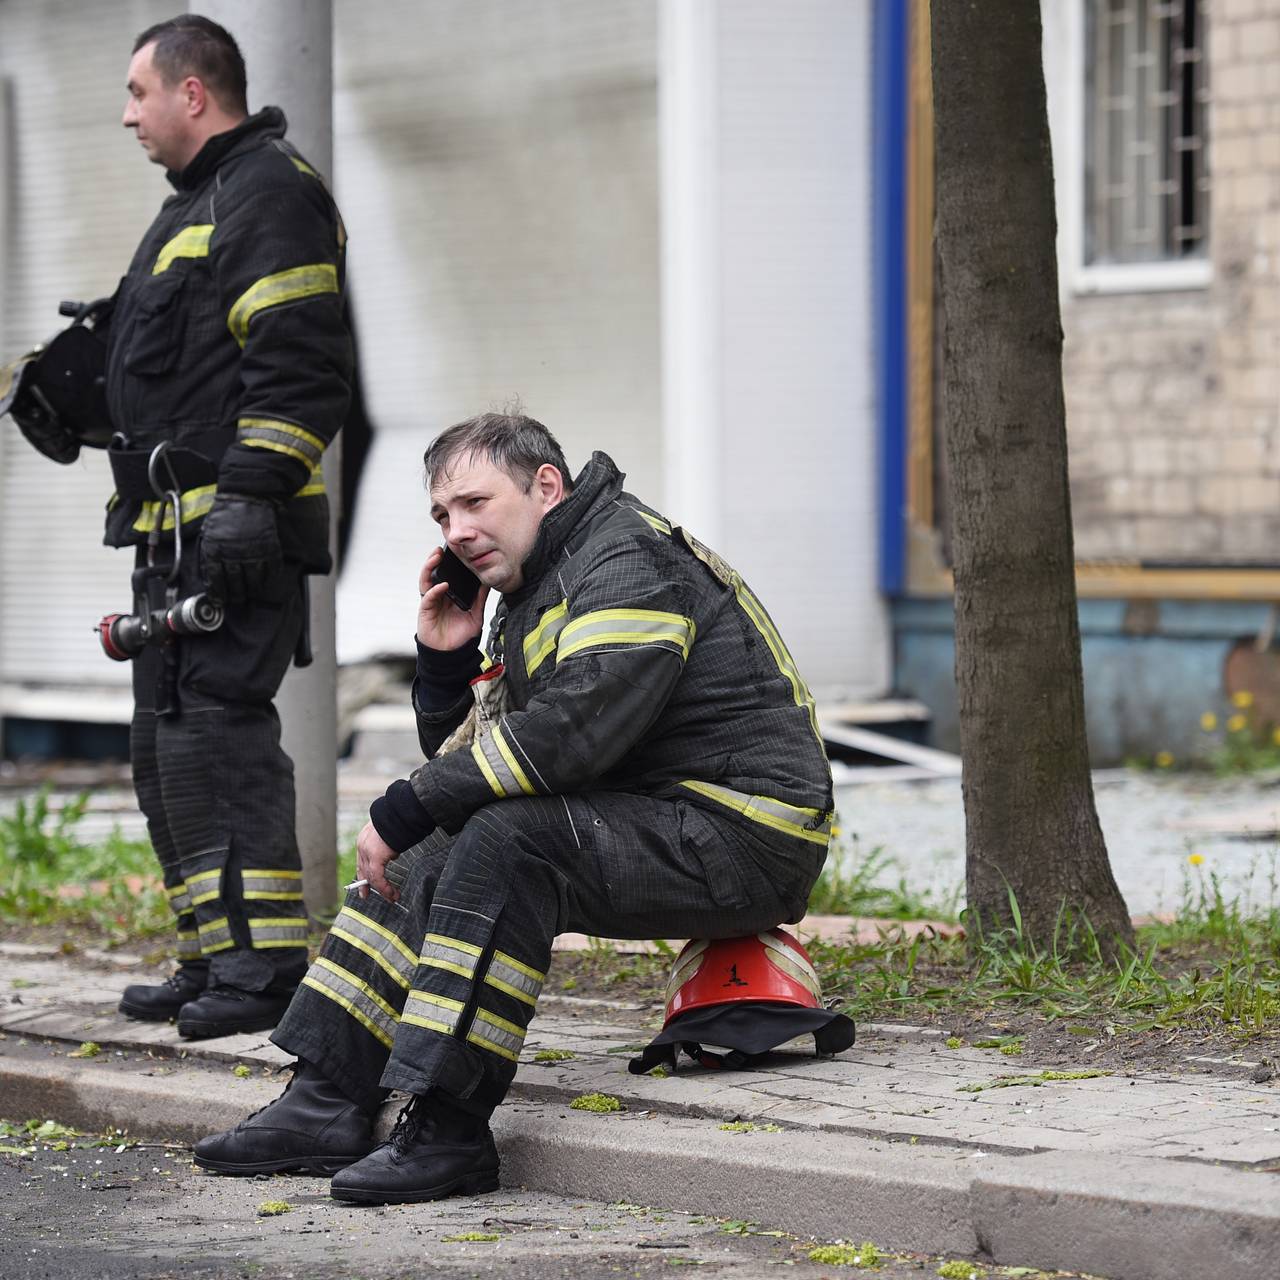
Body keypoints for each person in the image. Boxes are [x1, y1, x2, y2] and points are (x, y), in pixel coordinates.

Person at [195, 412, 832, 1204]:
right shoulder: (538, 581)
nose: (458, 531)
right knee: (442, 839)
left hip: (746, 835)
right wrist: (445, 657)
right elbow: (474, 755)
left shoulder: (626, 560)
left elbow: (570, 737)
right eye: (442, 515)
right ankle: (324, 1098)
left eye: (475, 503)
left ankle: (449, 1128)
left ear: (546, 486)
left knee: (506, 839)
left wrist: (403, 807)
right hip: (655, 815)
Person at [105, 15, 352, 1038]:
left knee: (222, 740)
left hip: (231, 539)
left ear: (192, 92)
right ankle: (215, 954)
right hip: (173, 541)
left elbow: (298, 359)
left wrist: (252, 493)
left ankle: (263, 969)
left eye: (136, 93)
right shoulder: (193, 208)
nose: (127, 116)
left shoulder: (266, 193)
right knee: (169, 750)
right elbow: (184, 370)